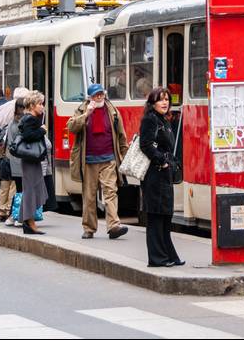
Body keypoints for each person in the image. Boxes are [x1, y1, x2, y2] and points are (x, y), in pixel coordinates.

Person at [67, 83, 129, 240]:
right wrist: (87, 114)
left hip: (109, 159)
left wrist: (124, 155)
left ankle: (114, 225)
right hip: (88, 160)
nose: (99, 97)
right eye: (96, 95)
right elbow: (72, 128)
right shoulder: (82, 110)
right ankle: (89, 228)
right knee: (89, 196)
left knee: (110, 192)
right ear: (90, 98)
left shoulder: (113, 111)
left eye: (101, 94)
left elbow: (121, 135)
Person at [139, 87, 183, 267]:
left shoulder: (163, 120)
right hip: (154, 175)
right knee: (156, 217)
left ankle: (169, 255)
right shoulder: (150, 120)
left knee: (165, 217)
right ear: (152, 103)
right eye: (161, 99)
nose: (165, 103)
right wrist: (162, 161)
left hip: (163, 175)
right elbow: (146, 144)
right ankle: (157, 258)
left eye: (167, 99)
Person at [0, 86, 27, 223]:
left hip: (3, 151)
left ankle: (1, 211)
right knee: (14, 184)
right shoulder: (21, 111)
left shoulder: (2, 108)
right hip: (15, 153)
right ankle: (10, 211)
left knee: (4, 183)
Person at [17, 90, 48, 235]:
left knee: (33, 187)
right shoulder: (29, 119)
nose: (43, 107)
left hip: (32, 158)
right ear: (32, 105)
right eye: (40, 104)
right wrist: (42, 130)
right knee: (30, 189)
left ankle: (27, 220)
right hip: (30, 158)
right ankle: (29, 222)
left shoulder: (31, 117)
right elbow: (28, 136)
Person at [4, 96, 26, 227]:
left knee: (19, 189)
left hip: (14, 161)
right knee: (22, 190)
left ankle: (14, 216)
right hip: (22, 161)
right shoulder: (22, 123)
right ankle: (18, 216)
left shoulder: (12, 121)